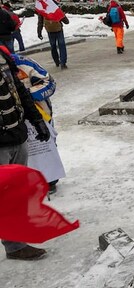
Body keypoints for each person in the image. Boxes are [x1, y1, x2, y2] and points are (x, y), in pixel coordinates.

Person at [0, 44, 51, 260]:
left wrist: (36, 119)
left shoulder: (1, 54)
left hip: (16, 135)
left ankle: (16, 241)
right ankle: (14, 244)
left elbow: (18, 89)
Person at [13, 53, 61, 193]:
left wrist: (25, 95)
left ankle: (50, 179)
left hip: (39, 114)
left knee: (44, 145)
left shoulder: (23, 63)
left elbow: (49, 82)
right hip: (12, 122)